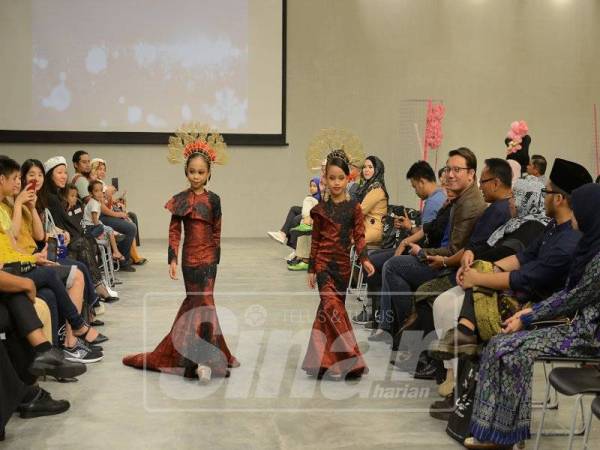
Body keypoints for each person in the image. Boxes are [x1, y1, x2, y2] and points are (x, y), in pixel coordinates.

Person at [464, 182, 600, 449]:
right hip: (572, 326)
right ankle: (489, 430)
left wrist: (528, 317)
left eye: (577, 213)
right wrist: (530, 313)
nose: (573, 218)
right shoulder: (588, 247)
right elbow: (563, 289)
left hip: (587, 336)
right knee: (498, 344)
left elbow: (571, 297)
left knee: (512, 351)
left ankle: (506, 435)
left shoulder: (596, 258)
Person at [431, 158, 591, 360]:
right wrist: (489, 269)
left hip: (537, 301)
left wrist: (479, 277)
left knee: (456, 298)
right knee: (463, 288)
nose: (543, 198)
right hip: (521, 287)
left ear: (559, 199)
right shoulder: (552, 226)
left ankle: (466, 336)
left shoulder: (569, 241)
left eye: (546, 192)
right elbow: (524, 256)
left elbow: (526, 277)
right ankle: (465, 337)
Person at [123, 127, 238, 383]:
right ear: (186, 172)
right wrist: (172, 258)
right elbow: (174, 231)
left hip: (209, 260)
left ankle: (203, 361)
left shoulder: (214, 200)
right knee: (197, 304)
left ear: (209, 174)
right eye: (192, 171)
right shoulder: (180, 201)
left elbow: (217, 229)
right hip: (189, 260)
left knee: (205, 304)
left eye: (201, 172)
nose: (196, 176)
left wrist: (216, 256)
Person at [368, 148, 487, 343]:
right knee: (380, 261)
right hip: (440, 256)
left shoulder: (465, 204)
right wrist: (409, 240)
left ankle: (404, 331)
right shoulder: (456, 199)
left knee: (390, 266)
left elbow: (452, 249)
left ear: (471, 174)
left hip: (448, 266)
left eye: (457, 170)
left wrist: (420, 251)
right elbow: (430, 229)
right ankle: (390, 325)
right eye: (448, 170)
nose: (449, 175)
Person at [301, 149, 375, 380]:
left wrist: (364, 259)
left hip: (343, 267)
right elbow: (316, 241)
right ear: (325, 179)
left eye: (340, 178)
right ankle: (351, 360)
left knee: (328, 313)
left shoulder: (354, 208)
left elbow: (360, 236)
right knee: (332, 308)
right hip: (324, 266)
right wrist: (312, 268)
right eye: (331, 178)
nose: (336, 183)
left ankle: (323, 361)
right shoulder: (320, 210)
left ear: (348, 178)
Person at [268, 177, 321, 246]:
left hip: (313, 215)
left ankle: (285, 236)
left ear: (319, 187)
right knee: (294, 209)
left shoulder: (318, 197)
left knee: (295, 219)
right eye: (310, 186)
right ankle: (283, 234)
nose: (311, 188)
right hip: (309, 212)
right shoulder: (314, 196)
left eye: (314, 186)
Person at [83, 180, 124, 261]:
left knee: (108, 229)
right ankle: (115, 251)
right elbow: (95, 221)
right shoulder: (94, 204)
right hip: (90, 228)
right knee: (109, 230)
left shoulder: (95, 201)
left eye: (101, 191)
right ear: (91, 193)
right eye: (96, 191)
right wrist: (101, 230)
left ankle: (114, 239)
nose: (100, 193)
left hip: (89, 225)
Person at [354, 156, 389, 246]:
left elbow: (360, 212)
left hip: (373, 229)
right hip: (365, 226)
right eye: (364, 167)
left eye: (370, 167)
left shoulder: (376, 189)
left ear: (377, 170)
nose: (366, 170)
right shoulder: (367, 187)